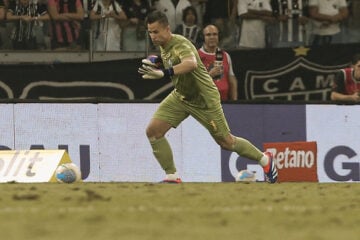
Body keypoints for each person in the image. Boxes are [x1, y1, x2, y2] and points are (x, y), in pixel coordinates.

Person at [138, 10, 278, 183]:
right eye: (150, 32)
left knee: (227, 142)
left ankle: (265, 159)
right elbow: (172, 58)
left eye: (156, 32)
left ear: (167, 29)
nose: (153, 36)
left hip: (204, 99)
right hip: (182, 96)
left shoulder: (180, 43)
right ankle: (172, 176)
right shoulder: (164, 45)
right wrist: (157, 60)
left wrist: (164, 73)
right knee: (153, 131)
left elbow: (191, 63)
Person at [198, 24, 238, 101]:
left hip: (224, 102)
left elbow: (232, 79)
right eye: (208, 35)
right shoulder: (196, 56)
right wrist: (210, 75)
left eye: (215, 34)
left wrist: (235, 101)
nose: (212, 37)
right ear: (203, 37)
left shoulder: (226, 55)